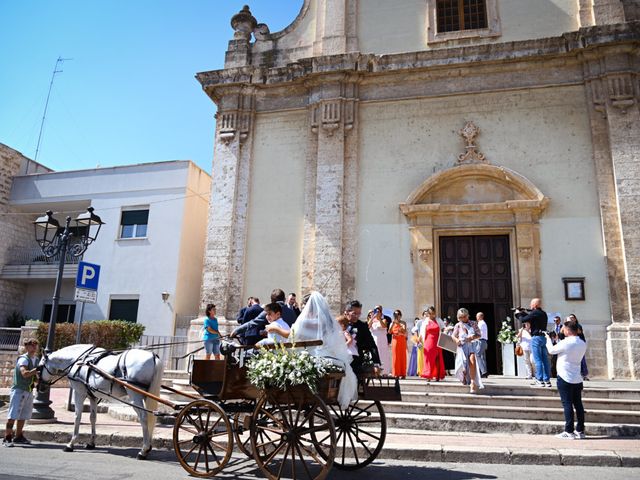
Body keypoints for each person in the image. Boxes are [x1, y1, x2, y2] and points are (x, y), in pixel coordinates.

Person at [291, 291, 358, 408]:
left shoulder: (308, 322)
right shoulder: (329, 321)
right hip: (331, 355)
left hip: (317, 355)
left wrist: (275, 329)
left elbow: (293, 333)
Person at [545, 320, 587, 439]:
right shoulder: (582, 342)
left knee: (567, 404)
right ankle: (580, 430)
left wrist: (548, 339)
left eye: (564, 328)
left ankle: (569, 431)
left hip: (565, 376)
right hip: (577, 377)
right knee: (578, 404)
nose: (563, 330)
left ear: (568, 330)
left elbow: (551, 351)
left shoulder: (566, 342)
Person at [4, 338, 39, 447]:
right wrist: (36, 370)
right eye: (32, 345)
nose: (34, 347)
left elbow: (35, 377)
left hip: (28, 391)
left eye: (35, 345)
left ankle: (18, 436)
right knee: (13, 415)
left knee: (23, 415)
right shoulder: (23, 359)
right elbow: (24, 373)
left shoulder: (36, 360)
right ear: (27, 347)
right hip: (18, 390)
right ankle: (7, 438)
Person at [519, 298, 551, 387]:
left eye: (531, 304)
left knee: (537, 360)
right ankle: (547, 380)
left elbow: (523, 319)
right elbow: (532, 318)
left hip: (536, 338)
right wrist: (524, 312)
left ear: (535, 305)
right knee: (545, 360)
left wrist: (518, 313)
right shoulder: (543, 313)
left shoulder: (535, 312)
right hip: (543, 337)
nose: (530, 306)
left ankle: (539, 380)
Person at [451, 308, 484, 393]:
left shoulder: (473, 323)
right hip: (462, 347)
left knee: (472, 360)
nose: (463, 318)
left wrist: (472, 337)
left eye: (464, 316)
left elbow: (479, 334)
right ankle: (464, 377)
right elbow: (453, 336)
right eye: (461, 317)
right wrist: (457, 340)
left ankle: (473, 382)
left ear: (467, 315)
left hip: (471, 345)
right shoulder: (458, 325)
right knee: (463, 366)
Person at [345, 300, 380, 374]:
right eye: (354, 313)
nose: (357, 316)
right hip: (339, 359)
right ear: (347, 312)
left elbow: (372, 345)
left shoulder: (362, 326)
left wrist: (376, 364)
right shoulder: (338, 323)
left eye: (359, 314)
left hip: (355, 361)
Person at [421, 306, 445, 381]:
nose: (432, 315)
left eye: (433, 313)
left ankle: (437, 375)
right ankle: (428, 375)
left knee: (438, 359)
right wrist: (420, 341)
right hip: (428, 342)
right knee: (428, 358)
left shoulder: (438, 320)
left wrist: (446, 331)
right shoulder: (425, 321)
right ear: (428, 313)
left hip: (438, 341)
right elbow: (422, 333)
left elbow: (443, 328)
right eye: (430, 313)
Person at [369, 305, 392, 374]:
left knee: (383, 355)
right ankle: (374, 371)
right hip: (374, 339)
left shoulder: (384, 319)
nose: (377, 312)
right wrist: (372, 317)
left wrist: (379, 319)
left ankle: (384, 372)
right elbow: (368, 326)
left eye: (379, 311)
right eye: (376, 310)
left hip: (382, 340)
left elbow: (384, 326)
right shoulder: (372, 320)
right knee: (374, 354)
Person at [390, 310, 407, 378]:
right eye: (395, 315)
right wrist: (393, 324)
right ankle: (396, 373)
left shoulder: (403, 323)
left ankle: (403, 373)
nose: (396, 317)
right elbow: (389, 331)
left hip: (402, 340)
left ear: (400, 315)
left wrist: (398, 324)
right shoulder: (392, 323)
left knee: (402, 356)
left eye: (398, 315)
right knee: (396, 357)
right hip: (395, 340)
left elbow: (404, 331)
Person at [476, 312, 489, 378]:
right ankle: (484, 372)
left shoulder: (481, 323)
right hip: (484, 341)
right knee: (482, 357)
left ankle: (483, 372)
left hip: (481, 341)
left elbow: (479, 333)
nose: (476, 317)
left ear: (480, 317)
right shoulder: (483, 323)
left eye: (477, 316)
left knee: (477, 355)